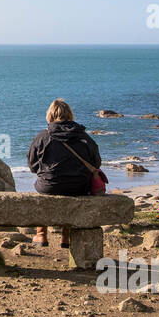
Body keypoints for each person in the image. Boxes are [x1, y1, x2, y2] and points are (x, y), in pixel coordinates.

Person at [26, 98, 103, 247]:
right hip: (80, 186)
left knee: (44, 189)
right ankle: (65, 237)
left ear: (50, 116)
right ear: (70, 115)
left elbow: (32, 165)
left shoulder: (42, 137)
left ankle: (41, 234)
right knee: (68, 188)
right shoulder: (83, 136)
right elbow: (96, 162)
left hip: (50, 186)